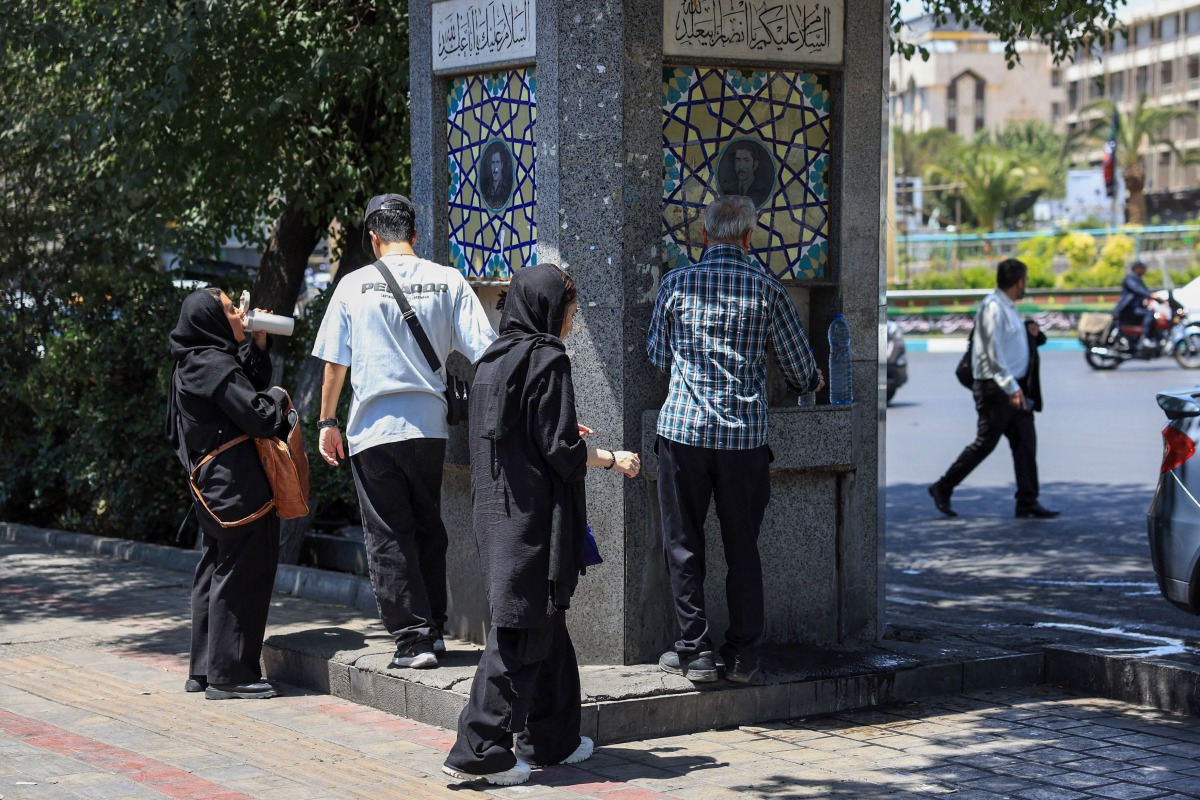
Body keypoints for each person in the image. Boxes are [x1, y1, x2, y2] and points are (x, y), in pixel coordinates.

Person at [442, 263, 640, 786]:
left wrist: (558, 430)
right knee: (519, 633)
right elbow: (562, 453)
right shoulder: (547, 359)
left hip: (497, 516)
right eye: (570, 313)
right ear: (549, 310)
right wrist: (611, 457)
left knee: (545, 627)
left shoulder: (493, 359)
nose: (570, 324)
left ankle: (554, 737)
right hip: (530, 521)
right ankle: (479, 749)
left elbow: (513, 431)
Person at [312, 193, 496, 670]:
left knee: (388, 533)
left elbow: (336, 362)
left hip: (373, 430)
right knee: (427, 527)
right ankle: (433, 629)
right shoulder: (448, 280)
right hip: (430, 427)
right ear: (415, 235)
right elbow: (487, 352)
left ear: (374, 238)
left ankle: (412, 641)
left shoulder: (353, 285)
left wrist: (327, 421)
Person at [646, 195, 823, 685]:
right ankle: (743, 655)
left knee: (684, 545)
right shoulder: (768, 288)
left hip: (683, 435)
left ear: (705, 236)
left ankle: (695, 652)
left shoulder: (677, 283)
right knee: (743, 547)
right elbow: (801, 369)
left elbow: (657, 356)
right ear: (749, 238)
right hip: (744, 440)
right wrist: (812, 383)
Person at [167, 288, 291, 700]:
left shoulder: (194, 362)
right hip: (238, 488)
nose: (240, 313)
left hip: (212, 485)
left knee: (214, 570)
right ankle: (231, 675)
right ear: (211, 320)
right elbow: (257, 416)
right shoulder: (213, 364)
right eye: (230, 309)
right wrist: (278, 401)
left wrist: (255, 344)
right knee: (243, 574)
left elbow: (244, 384)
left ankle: (204, 669)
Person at [928, 258, 1058, 520]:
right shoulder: (992, 307)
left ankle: (1027, 501)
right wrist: (1010, 386)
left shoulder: (1008, 308)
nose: (1026, 285)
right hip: (996, 388)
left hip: (1013, 388)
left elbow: (1007, 343)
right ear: (1019, 282)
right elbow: (992, 353)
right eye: (1025, 281)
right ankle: (942, 487)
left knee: (1025, 443)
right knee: (985, 443)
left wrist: (1027, 331)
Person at [1114, 260, 1157, 349]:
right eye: (1143, 269)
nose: (1145, 271)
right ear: (1137, 268)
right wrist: (1150, 295)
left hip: (1135, 307)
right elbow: (1137, 289)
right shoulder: (1130, 278)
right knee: (1149, 314)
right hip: (1129, 309)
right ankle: (1145, 338)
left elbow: (1144, 290)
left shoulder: (1137, 278)